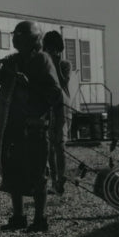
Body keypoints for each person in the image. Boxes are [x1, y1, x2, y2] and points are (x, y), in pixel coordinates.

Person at [0, 21, 62, 232]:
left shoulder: (43, 60)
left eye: (23, 38)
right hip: (13, 126)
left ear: (32, 41)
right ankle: (19, 217)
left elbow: (54, 92)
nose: (19, 43)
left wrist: (29, 84)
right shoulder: (13, 60)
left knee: (37, 171)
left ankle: (40, 219)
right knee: (13, 170)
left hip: (35, 126)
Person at [42, 30, 72, 194]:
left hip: (62, 107)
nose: (51, 51)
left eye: (53, 48)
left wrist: (55, 64)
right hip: (48, 107)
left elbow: (63, 82)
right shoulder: (43, 64)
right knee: (48, 147)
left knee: (59, 146)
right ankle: (53, 180)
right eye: (48, 48)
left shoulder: (64, 64)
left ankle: (61, 179)